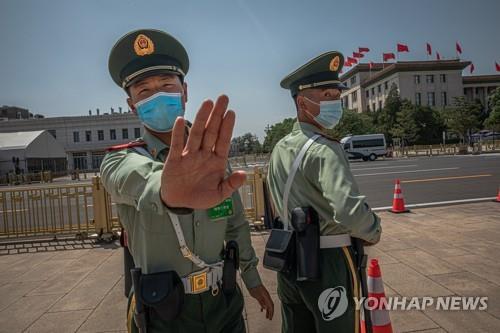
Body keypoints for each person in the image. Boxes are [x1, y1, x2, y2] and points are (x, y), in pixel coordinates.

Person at [101, 29, 273, 333]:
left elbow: (235, 224)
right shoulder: (120, 160)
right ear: (132, 105)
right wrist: (169, 189)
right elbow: (140, 178)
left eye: (167, 85)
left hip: (224, 302)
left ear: (185, 91)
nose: (157, 96)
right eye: (144, 92)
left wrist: (252, 278)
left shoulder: (212, 158)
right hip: (164, 312)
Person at [267, 51, 382, 333]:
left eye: (336, 94)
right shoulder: (325, 149)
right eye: (325, 94)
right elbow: (349, 211)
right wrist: (373, 229)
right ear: (301, 101)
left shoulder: (280, 148)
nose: (334, 101)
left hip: (289, 260)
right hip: (328, 263)